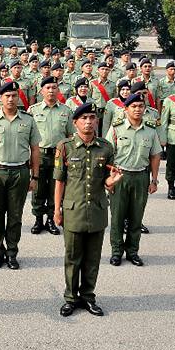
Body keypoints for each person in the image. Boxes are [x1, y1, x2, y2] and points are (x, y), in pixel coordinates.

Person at [54, 103, 122, 317]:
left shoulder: (106, 147)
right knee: (72, 257)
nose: (89, 122)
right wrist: (57, 209)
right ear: (75, 123)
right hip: (73, 210)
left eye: (92, 117)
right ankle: (71, 298)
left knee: (92, 259)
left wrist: (113, 181)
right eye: (84, 118)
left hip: (97, 210)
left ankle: (88, 296)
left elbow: (107, 183)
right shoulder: (65, 147)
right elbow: (60, 182)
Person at [0, 80, 40, 270]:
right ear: (1, 98)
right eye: (7, 96)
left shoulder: (28, 120)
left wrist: (34, 176)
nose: (11, 99)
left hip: (19, 172)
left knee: (15, 216)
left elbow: (35, 149)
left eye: (14, 95)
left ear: (18, 97)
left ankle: (12, 252)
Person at [104, 93, 161, 267]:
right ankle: (116, 252)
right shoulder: (116, 129)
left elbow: (155, 155)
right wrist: (110, 180)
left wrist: (154, 180)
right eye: (133, 106)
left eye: (140, 106)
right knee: (117, 218)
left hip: (141, 177)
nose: (137, 109)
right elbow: (107, 154)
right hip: (121, 176)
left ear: (144, 109)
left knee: (136, 217)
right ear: (126, 109)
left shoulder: (151, 130)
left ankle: (132, 251)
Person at [27, 76, 75, 235]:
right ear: (41, 91)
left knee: (55, 188)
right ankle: (38, 219)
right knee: (38, 188)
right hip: (39, 154)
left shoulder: (66, 111)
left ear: (58, 90)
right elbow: (27, 136)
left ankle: (51, 219)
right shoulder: (33, 110)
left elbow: (70, 136)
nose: (51, 91)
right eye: (48, 88)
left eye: (54, 87)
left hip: (58, 155)